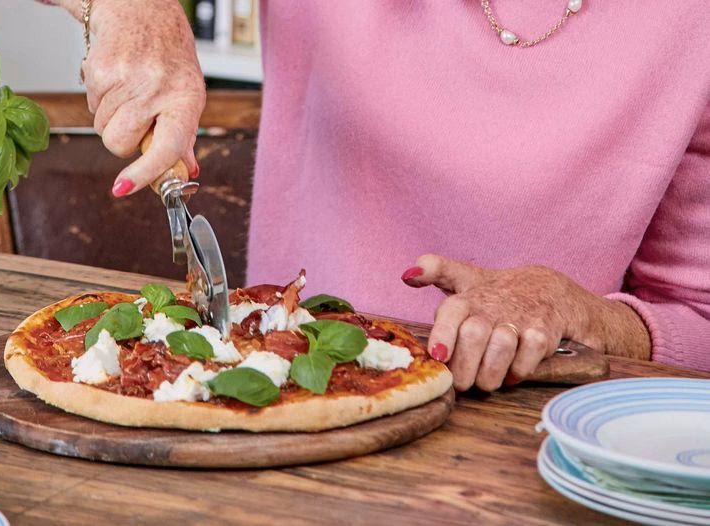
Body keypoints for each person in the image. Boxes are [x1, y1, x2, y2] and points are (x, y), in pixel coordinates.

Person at [43, 0, 710, 390]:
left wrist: (582, 316)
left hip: (539, 449)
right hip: (280, 411)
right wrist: (136, 8)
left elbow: (697, 318)